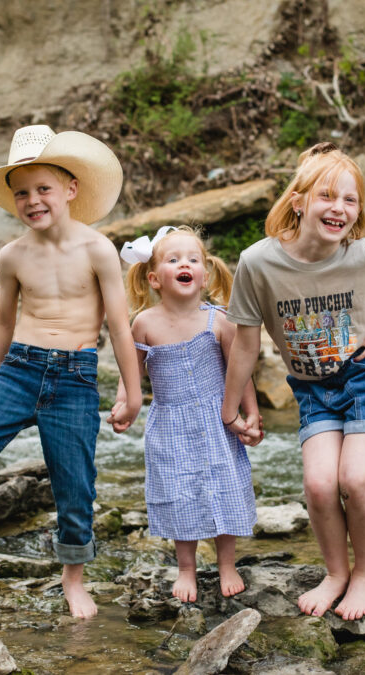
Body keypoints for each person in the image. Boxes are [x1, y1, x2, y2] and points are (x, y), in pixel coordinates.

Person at [221, 142, 365, 621]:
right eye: (327, 196)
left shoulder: (364, 255)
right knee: (319, 485)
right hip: (312, 387)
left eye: (350, 200)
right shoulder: (258, 263)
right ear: (298, 202)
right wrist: (231, 404)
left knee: (354, 478)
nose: (339, 208)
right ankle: (336, 572)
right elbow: (245, 343)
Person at [0, 124, 143, 621]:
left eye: (43, 188)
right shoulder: (12, 255)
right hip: (19, 370)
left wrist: (131, 393)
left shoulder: (97, 250)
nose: (33, 200)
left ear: (70, 190)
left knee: (75, 485)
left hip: (74, 376)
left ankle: (74, 580)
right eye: (21, 191)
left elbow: (118, 324)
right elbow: (2, 320)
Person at [117, 225, 262, 603]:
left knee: (223, 488)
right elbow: (130, 372)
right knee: (180, 494)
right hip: (170, 425)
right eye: (174, 259)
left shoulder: (219, 320)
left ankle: (227, 563)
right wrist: (125, 405)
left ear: (205, 274)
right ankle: (187, 568)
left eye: (193, 259)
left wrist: (251, 413)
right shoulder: (144, 323)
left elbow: (239, 373)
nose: (186, 264)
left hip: (218, 421)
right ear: (154, 278)